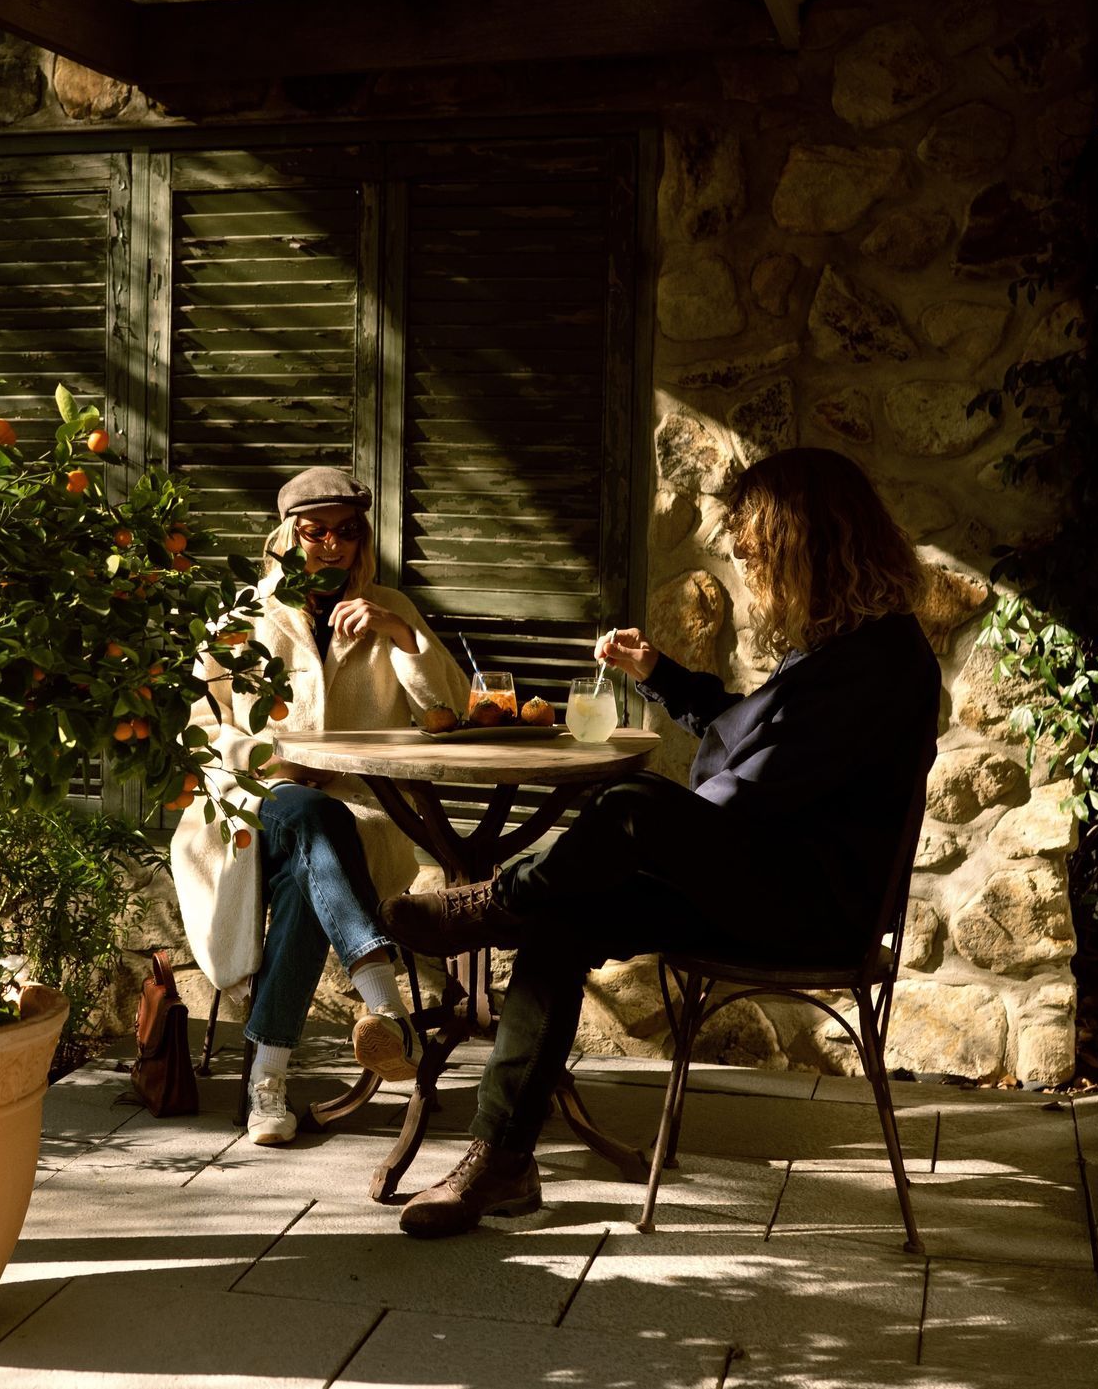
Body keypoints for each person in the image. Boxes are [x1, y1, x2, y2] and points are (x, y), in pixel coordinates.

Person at [379, 446, 941, 1236]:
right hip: (762, 882)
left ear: (812, 543)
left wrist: (662, 833)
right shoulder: (837, 650)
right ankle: (499, 1158)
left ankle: (489, 904)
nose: (753, 577)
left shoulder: (881, 662)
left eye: (758, 555)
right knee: (563, 910)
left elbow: (750, 790)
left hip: (812, 906)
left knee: (633, 805)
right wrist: (661, 676)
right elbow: (755, 736)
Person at [171, 466, 470, 1145]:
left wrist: (400, 635)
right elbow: (199, 728)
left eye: (345, 532)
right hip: (250, 803)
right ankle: (384, 1006)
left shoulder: (388, 607)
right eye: (315, 533)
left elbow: (449, 711)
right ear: (285, 537)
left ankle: (267, 1080)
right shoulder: (242, 618)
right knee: (306, 814)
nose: (331, 546)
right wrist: (265, 760)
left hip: (353, 809)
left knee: (315, 851)